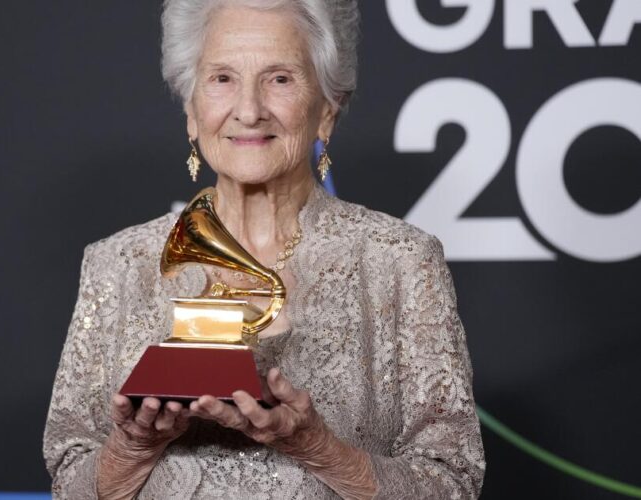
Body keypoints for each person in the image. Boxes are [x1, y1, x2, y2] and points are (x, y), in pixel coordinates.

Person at [43, 0, 485, 498]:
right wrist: (133, 449)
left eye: (280, 79)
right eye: (222, 78)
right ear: (191, 111)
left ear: (328, 109)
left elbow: (454, 483)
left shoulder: (401, 262)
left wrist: (319, 448)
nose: (249, 110)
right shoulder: (117, 264)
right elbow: (68, 483)